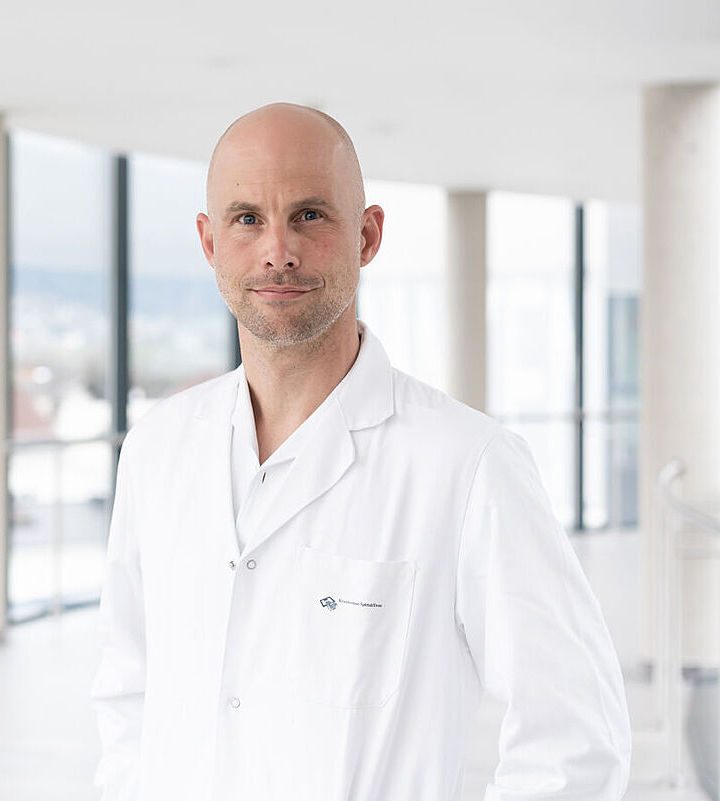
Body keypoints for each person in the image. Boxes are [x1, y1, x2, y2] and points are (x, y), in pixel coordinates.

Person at [89, 102, 631, 800]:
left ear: (368, 235)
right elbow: (128, 700)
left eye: (310, 215)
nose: (278, 251)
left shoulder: (468, 466)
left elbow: (577, 737)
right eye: (247, 218)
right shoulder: (156, 450)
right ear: (209, 241)